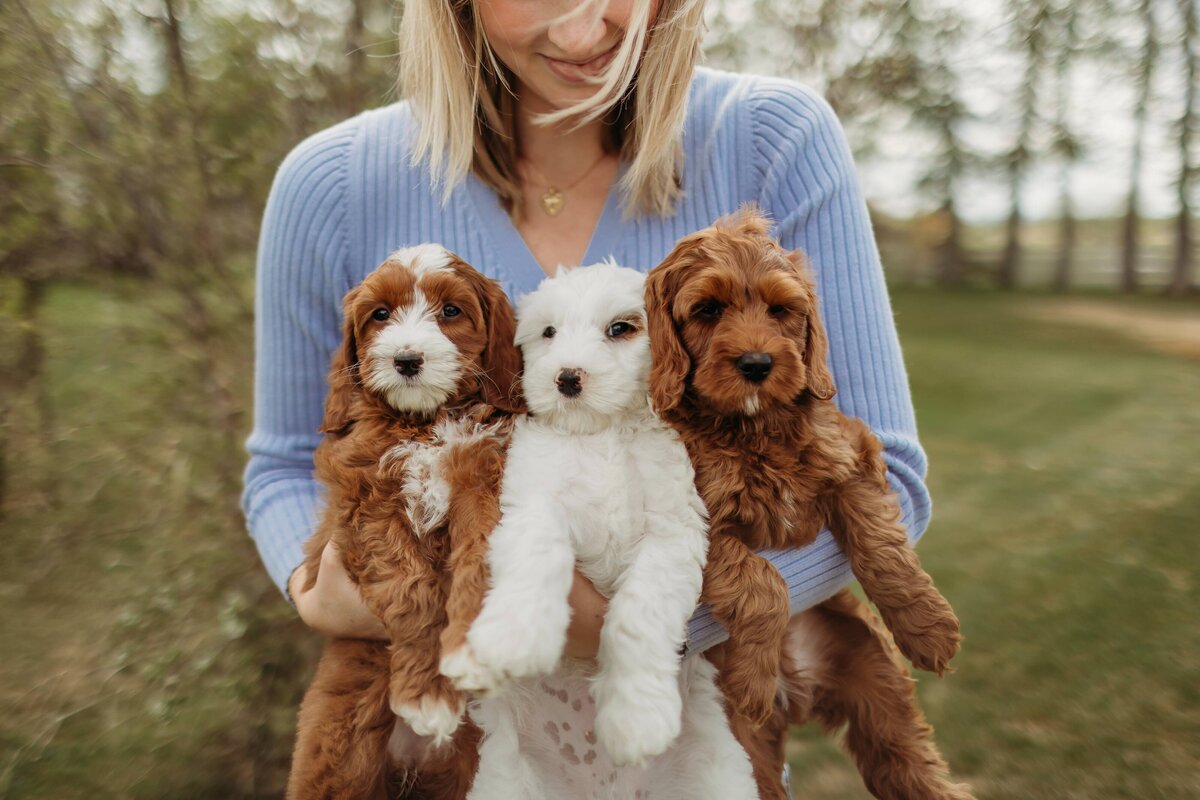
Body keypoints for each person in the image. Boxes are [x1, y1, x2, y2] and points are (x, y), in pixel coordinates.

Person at [243, 0, 931, 787]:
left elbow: (888, 478)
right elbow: (285, 465)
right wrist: (323, 594)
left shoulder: (770, 139)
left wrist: (633, 628)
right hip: (450, 754)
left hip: (685, 751)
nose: (581, 32)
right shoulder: (332, 184)